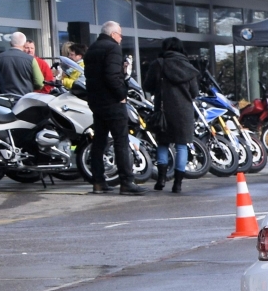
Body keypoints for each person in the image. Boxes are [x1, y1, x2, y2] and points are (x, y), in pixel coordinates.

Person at [84, 21, 140, 193]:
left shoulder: (91, 49)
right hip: (112, 101)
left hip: (96, 101)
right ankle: (126, 182)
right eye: (120, 34)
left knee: (99, 142)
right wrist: (122, 94)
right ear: (113, 34)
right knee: (121, 141)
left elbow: (91, 75)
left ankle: (98, 182)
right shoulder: (113, 48)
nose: (121, 38)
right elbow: (111, 76)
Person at [142, 37, 199, 192]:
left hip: (163, 111)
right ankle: (178, 184)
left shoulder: (158, 64)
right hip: (184, 111)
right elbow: (194, 92)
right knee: (181, 146)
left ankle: (161, 179)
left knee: (163, 143)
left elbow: (147, 86)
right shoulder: (189, 67)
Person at [0, 32, 38, 97]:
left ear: (10, 43)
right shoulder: (31, 59)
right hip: (24, 98)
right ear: (24, 45)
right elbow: (39, 82)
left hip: (4, 98)